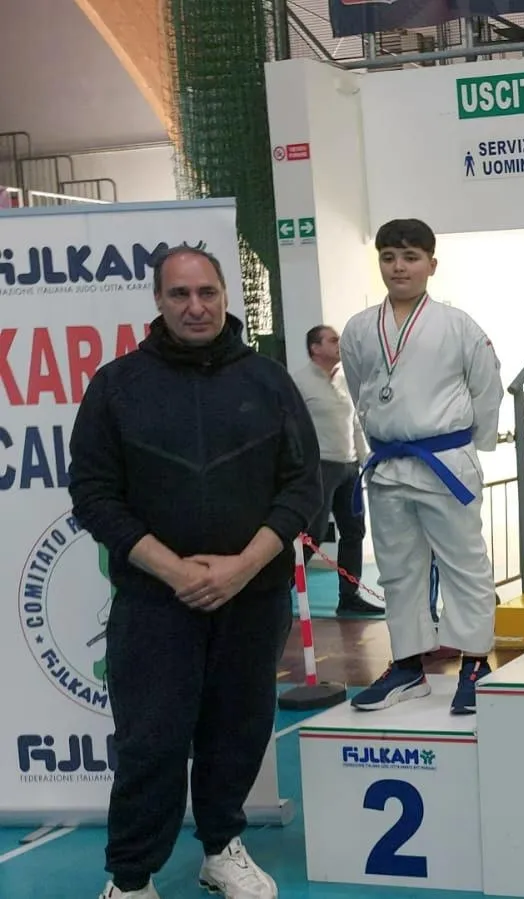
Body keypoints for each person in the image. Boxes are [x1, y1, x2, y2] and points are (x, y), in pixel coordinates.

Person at [70, 244, 321, 899]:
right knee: (150, 741)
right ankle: (131, 879)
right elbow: (93, 493)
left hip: (252, 596)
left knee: (237, 731)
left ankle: (220, 849)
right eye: (179, 294)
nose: (195, 306)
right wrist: (173, 570)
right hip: (155, 601)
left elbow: (301, 486)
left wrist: (243, 566)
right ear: (158, 300)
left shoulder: (268, 382)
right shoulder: (117, 386)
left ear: (225, 296)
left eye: (207, 292)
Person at [340, 218, 505, 714]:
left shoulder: (458, 325)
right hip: (389, 464)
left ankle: (475, 662)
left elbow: (487, 388)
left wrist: (469, 445)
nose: (399, 267)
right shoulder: (359, 328)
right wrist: (384, 433)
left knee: (464, 564)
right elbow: (361, 389)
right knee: (398, 569)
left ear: (431, 264)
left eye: (410, 258)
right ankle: (408, 665)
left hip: (445, 461)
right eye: (389, 257)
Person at [292, 324, 384, 616]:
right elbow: (291, 429)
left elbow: (355, 422)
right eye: (333, 340)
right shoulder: (299, 383)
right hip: (319, 468)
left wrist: (365, 460)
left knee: (354, 531)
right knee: (314, 534)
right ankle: (279, 593)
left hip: (349, 467)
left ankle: (349, 596)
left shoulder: (346, 381)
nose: (339, 345)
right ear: (315, 348)